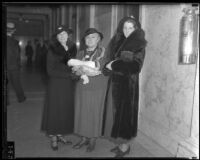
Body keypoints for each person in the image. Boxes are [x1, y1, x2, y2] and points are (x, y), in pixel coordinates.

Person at [102, 16, 147, 157]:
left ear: (136, 29)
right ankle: (119, 143)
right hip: (114, 84)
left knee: (125, 116)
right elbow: (109, 60)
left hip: (128, 86)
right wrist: (107, 66)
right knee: (115, 116)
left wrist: (113, 65)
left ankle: (125, 147)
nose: (127, 30)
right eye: (125, 27)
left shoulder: (139, 44)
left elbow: (135, 67)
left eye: (130, 27)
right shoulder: (117, 41)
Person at [41, 25, 77, 151]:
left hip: (68, 85)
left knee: (64, 110)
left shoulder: (72, 48)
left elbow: (72, 64)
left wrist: (79, 70)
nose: (62, 36)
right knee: (55, 111)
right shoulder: (52, 50)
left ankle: (60, 134)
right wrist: (70, 75)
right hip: (56, 85)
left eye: (65, 33)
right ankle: (54, 138)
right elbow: (50, 71)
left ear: (68, 35)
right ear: (56, 37)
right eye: (60, 34)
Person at [72, 28, 108, 152]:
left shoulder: (103, 52)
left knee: (93, 113)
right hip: (82, 87)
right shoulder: (80, 53)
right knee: (81, 112)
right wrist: (76, 70)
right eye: (87, 37)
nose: (90, 39)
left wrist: (82, 68)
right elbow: (75, 71)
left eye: (93, 37)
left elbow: (99, 70)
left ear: (98, 40)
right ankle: (83, 138)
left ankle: (92, 139)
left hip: (97, 88)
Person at [6, 22, 26, 104]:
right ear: (13, 31)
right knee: (17, 83)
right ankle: (21, 98)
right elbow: (17, 55)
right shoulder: (15, 42)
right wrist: (18, 65)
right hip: (14, 67)